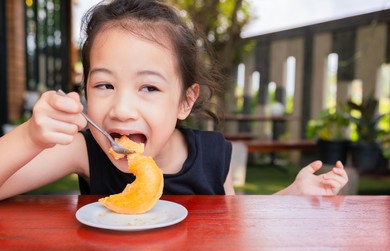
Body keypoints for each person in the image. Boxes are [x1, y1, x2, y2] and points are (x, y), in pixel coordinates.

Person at [0, 0, 347, 200]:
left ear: (185, 101)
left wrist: (293, 196)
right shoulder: (86, 150)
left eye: (148, 88)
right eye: (104, 85)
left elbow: (233, 223)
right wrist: (29, 137)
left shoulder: (212, 156)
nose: (121, 109)